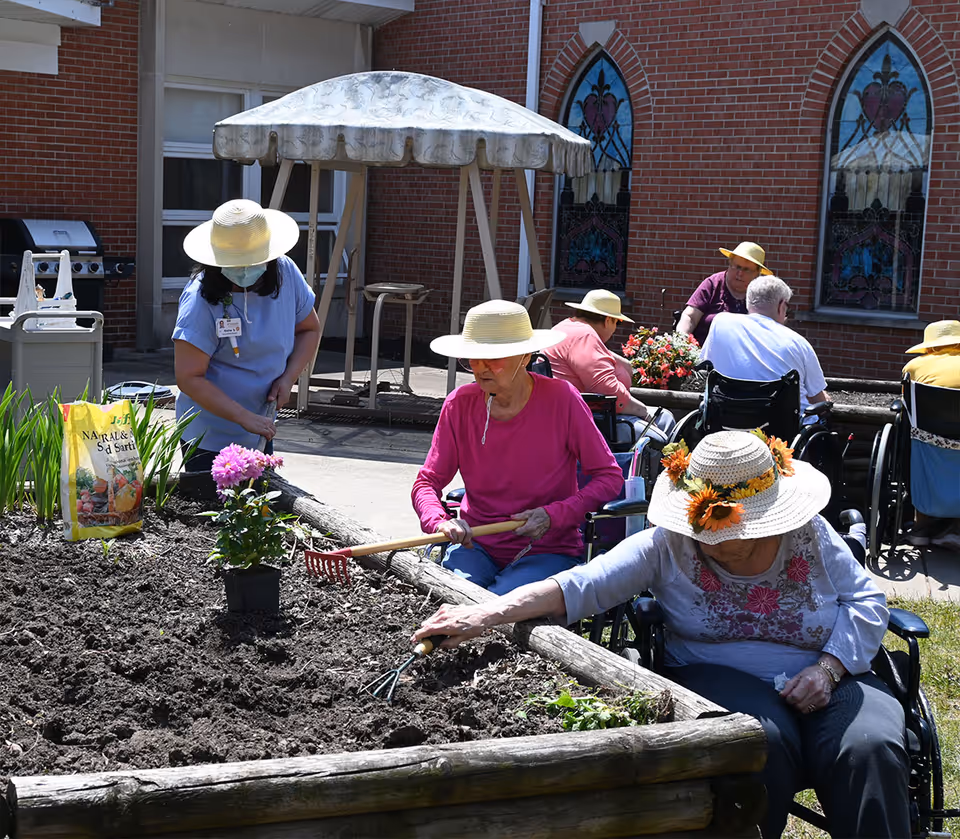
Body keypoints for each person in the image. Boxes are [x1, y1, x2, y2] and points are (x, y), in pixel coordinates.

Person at [415, 430, 909, 839]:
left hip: (833, 668)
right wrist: (481, 616)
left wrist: (829, 668)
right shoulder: (665, 544)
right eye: (709, 531)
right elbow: (580, 585)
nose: (716, 543)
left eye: (736, 530)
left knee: (870, 746)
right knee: (757, 743)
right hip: (717, 672)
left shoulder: (812, 534)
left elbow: (868, 601)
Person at [411, 300, 624, 595]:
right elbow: (426, 482)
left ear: (525, 356)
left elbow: (609, 476)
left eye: (493, 359)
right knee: (456, 596)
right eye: (473, 359)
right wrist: (439, 521)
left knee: (499, 605)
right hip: (476, 543)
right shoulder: (459, 404)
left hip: (547, 550)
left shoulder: (562, 399)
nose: (481, 368)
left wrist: (554, 514)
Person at [173, 199, 321, 481]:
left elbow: (309, 329)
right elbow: (189, 377)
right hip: (208, 433)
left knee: (256, 510)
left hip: (261, 422)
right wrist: (243, 417)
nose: (244, 271)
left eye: (253, 262)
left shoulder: (286, 273)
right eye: (235, 264)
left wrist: (288, 377)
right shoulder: (198, 301)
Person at [542, 288, 676, 444]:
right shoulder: (584, 336)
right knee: (656, 438)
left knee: (664, 418)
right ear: (607, 320)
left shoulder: (567, 327)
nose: (616, 328)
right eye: (617, 322)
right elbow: (608, 391)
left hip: (575, 414)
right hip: (584, 421)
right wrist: (644, 412)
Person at [700, 275, 829, 412]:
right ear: (782, 306)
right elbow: (817, 399)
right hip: (783, 429)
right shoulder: (798, 343)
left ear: (747, 302)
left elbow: (705, 363)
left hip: (726, 421)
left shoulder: (721, 323)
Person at [901, 320, 960, 549]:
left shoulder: (914, 366)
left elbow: (906, 404)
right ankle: (956, 529)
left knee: (916, 450)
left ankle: (921, 527)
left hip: (927, 441)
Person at [677, 241, 772, 346]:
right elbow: (690, 316)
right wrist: (682, 342)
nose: (740, 273)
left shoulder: (762, 294)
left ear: (757, 274)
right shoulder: (713, 284)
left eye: (747, 270)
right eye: (737, 267)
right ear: (730, 264)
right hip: (703, 354)